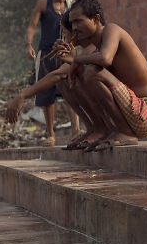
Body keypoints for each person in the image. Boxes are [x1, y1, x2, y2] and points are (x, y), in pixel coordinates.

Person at [48, 0, 147, 151]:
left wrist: (76, 60)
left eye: (78, 21)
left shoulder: (112, 30)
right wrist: (71, 58)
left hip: (146, 113)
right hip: (130, 113)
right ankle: (98, 129)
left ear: (96, 19)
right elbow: (74, 68)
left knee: (92, 71)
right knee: (66, 79)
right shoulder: (96, 47)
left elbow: (105, 59)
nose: (74, 28)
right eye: (72, 23)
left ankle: (125, 133)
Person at [6, 10, 96, 149]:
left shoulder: (92, 47)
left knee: (75, 78)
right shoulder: (80, 50)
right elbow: (62, 74)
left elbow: (58, 74)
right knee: (65, 82)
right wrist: (69, 59)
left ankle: (98, 129)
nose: (65, 37)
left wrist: (22, 96)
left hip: (134, 112)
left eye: (65, 33)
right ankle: (93, 129)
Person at [24, 0, 80, 145]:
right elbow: (32, 26)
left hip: (66, 54)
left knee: (71, 89)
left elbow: (78, 29)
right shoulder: (43, 4)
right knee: (46, 94)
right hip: (46, 54)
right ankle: (50, 134)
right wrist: (29, 44)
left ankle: (76, 131)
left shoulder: (73, 6)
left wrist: (74, 48)